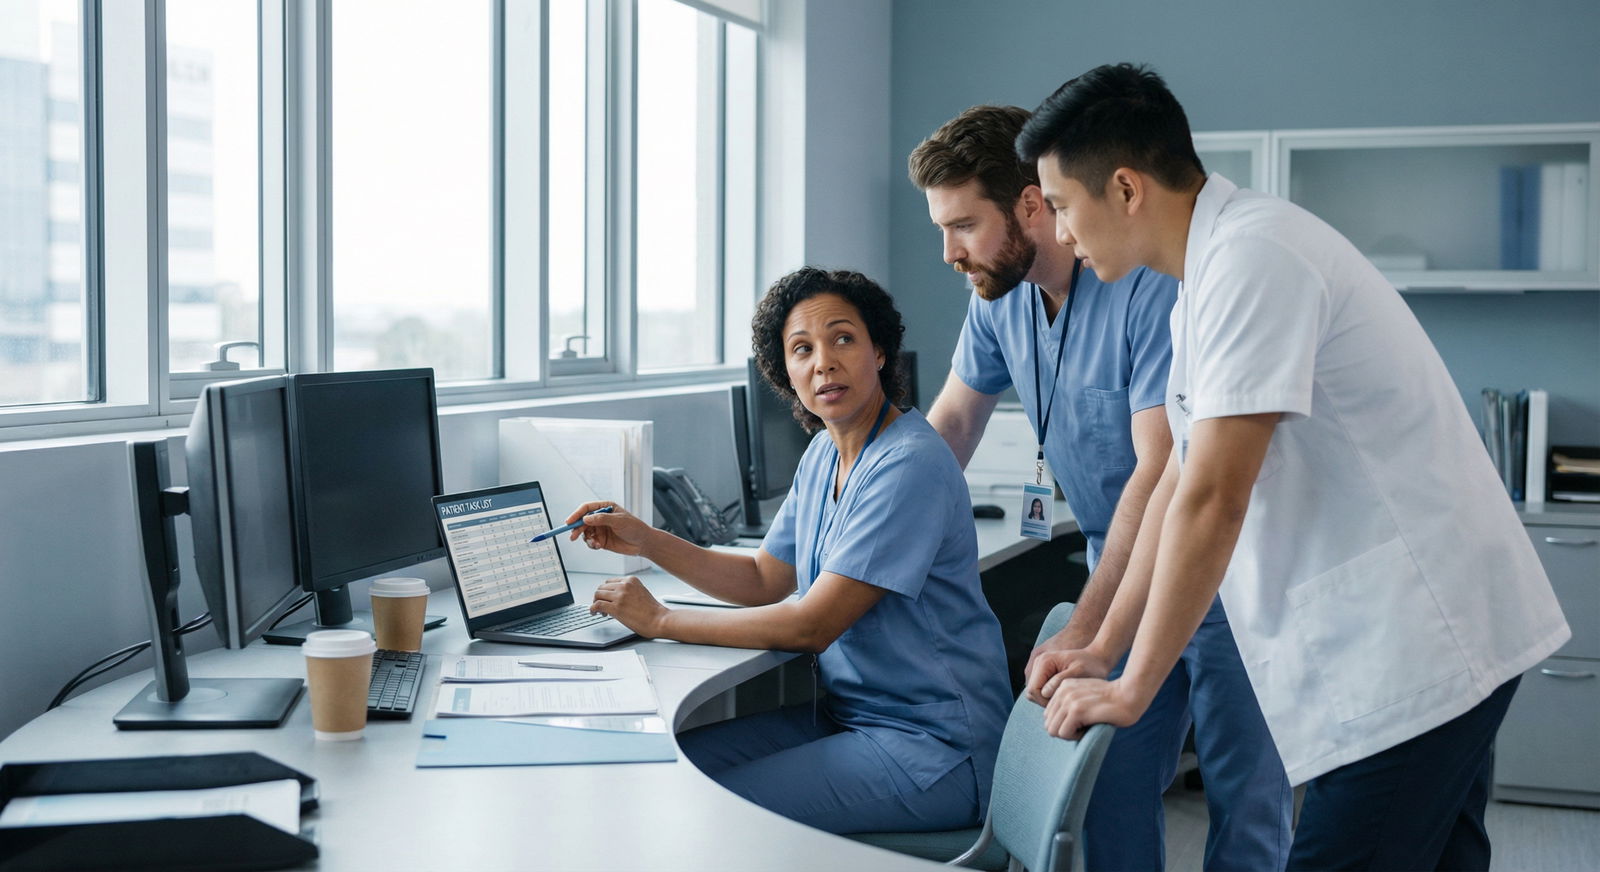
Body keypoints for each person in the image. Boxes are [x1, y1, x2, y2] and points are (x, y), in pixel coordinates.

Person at [1016, 63, 1570, 871]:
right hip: (1413, 641)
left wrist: (1136, 686)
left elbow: (1213, 495)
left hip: (1417, 648)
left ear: (1126, 190)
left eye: (1063, 206)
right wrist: (1105, 645)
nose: (1059, 233)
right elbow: (1175, 477)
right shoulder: (1201, 280)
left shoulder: (1255, 259)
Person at [911, 105, 1290, 872]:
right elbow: (949, 427)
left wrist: (1085, 631)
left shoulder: (1144, 287)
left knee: (1244, 799)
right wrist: (854, 535)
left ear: (1029, 205)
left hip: (1224, 574)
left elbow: (1159, 473)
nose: (949, 252)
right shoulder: (999, 296)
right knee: (1109, 790)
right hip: (1116, 568)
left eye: (962, 225)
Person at [568, 267, 1011, 836]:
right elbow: (762, 577)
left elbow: (810, 625)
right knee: (668, 764)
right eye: (802, 349)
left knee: (706, 811)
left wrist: (660, 619)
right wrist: (648, 538)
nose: (823, 361)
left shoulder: (908, 464)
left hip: (936, 750)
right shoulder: (825, 453)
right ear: (787, 376)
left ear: (880, 352)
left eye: (843, 339)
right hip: (849, 722)